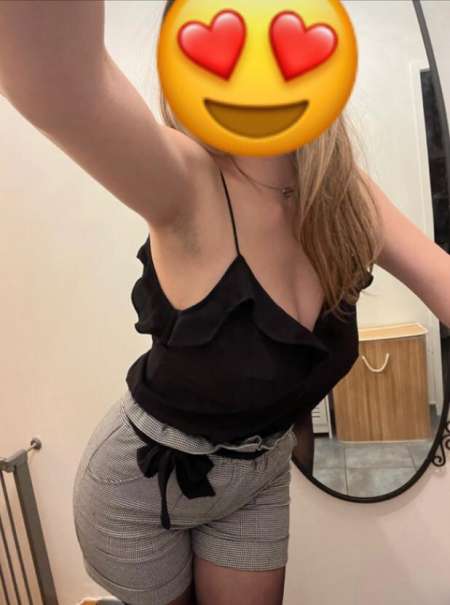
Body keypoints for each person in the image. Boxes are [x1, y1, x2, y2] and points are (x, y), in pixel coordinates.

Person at [2, 2, 448, 604]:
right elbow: (56, 81)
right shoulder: (185, 183)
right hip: (141, 490)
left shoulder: (348, 197)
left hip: (258, 475)